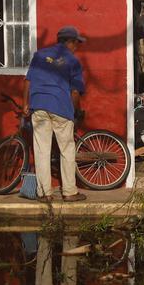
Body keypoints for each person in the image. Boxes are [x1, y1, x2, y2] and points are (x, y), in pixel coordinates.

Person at [23, 25, 87, 202]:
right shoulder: (73, 61)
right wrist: (76, 111)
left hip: (39, 106)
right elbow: (75, 92)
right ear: (71, 42)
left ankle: (44, 193)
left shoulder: (40, 55)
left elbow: (28, 81)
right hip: (60, 107)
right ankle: (69, 192)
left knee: (41, 150)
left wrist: (25, 103)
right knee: (66, 149)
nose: (77, 47)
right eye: (77, 43)